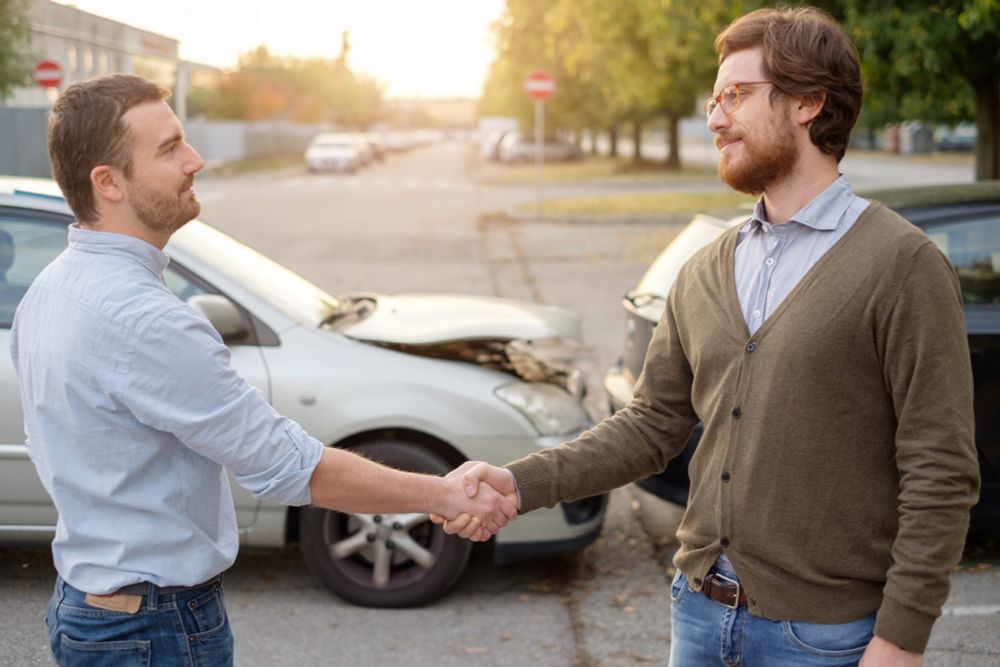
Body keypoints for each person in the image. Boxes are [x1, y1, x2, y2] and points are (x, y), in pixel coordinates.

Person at [436, 6, 979, 666]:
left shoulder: (902, 265)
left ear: (809, 101)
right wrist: (519, 483)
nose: (716, 118)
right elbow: (649, 425)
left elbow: (940, 471)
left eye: (734, 96)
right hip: (697, 614)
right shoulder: (705, 269)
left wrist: (900, 639)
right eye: (713, 99)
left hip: (825, 639)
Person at [10, 74, 516, 667]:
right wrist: (442, 492)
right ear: (108, 182)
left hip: (86, 609)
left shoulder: (49, 289)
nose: (194, 160)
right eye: (170, 149)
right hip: (152, 630)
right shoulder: (147, 321)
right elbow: (288, 467)